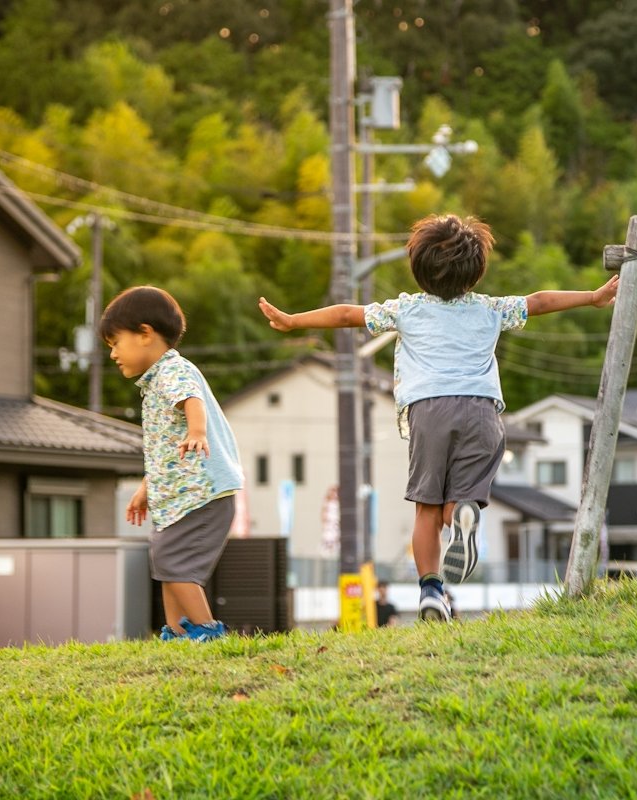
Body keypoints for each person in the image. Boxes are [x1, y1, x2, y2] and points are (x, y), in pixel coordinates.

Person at [258, 213, 618, 623]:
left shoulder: (407, 310)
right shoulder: (491, 309)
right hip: (482, 411)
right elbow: (538, 301)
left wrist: (293, 320)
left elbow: (346, 315)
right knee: (457, 504)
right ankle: (464, 515)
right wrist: (592, 296)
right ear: (476, 271)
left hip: (429, 411)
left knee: (426, 511)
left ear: (419, 268)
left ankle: (430, 591)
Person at [100, 286, 244, 642]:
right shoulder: (155, 382)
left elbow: (191, 398)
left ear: (145, 334)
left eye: (116, 342)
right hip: (180, 497)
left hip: (201, 493)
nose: (114, 353)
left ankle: (208, 634)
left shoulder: (172, 370)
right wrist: (146, 490)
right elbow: (165, 450)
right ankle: (179, 633)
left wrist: (197, 431)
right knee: (166, 563)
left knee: (176, 565)